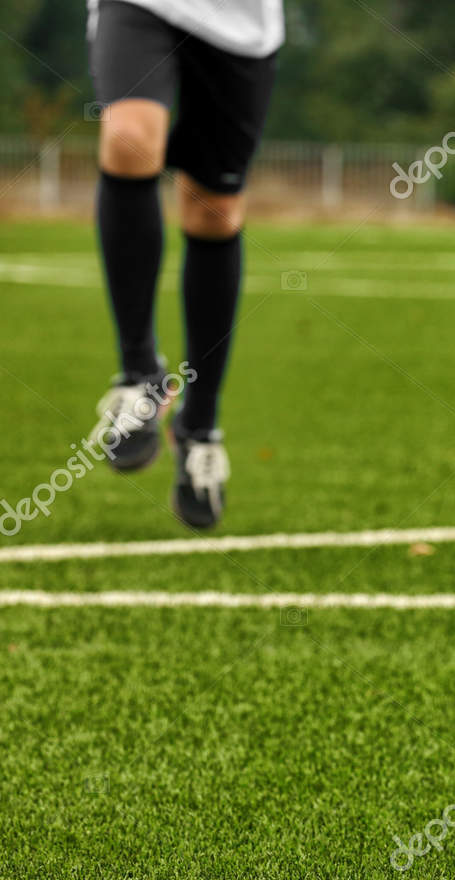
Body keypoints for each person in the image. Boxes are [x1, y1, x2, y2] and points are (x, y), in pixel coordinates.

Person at [87, 0, 283, 528]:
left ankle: (200, 425)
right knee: (129, 138)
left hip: (241, 25)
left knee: (212, 211)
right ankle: (140, 376)